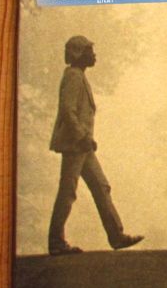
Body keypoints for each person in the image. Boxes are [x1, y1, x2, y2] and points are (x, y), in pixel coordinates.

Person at [47, 35, 143, 255]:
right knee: (68, 192)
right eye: (90, 51)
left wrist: (85, 139)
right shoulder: (73, 76)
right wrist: (83, 136)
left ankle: (116, 236)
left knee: (101, 187)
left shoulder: (78, 76)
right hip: (76, 145)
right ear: (79, 54)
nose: (94, 55)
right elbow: (68, 110)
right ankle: (56, 242)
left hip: (82, 146)